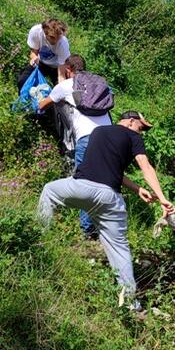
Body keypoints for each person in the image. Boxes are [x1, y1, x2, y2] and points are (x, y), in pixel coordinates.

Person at [36, 111, 175, 310]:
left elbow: (107, 170)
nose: (141, 132)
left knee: (49, 190)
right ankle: (130, 303)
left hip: (80, 189)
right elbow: (146, 167)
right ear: (131, 121)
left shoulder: (98, 132)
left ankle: (37, 239)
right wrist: (162, 199)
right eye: (141, 127)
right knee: (119, 249)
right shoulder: (132, 136)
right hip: (109, 199)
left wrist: (137, 189)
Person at [39, 54, 113, 238]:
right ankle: (99, 228)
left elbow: (42, 105)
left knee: (85, 183)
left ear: (68, 69)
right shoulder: (99, 85)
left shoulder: (65, 86)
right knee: (103, 183)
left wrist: (45, 95)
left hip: (88, 138)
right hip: (110, 138)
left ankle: (88, 231)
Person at [18, 18, 71, 88]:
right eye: (52, 37)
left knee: (62, 90)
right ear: (45, 32)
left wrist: (60, 88)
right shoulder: (36, 32)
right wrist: (34, 58)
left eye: (58, 37)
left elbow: (61, 73)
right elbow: (33, 52)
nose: (55, 41)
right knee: (22, 82)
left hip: (57, 67)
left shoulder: (63, 43)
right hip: (41, 63)